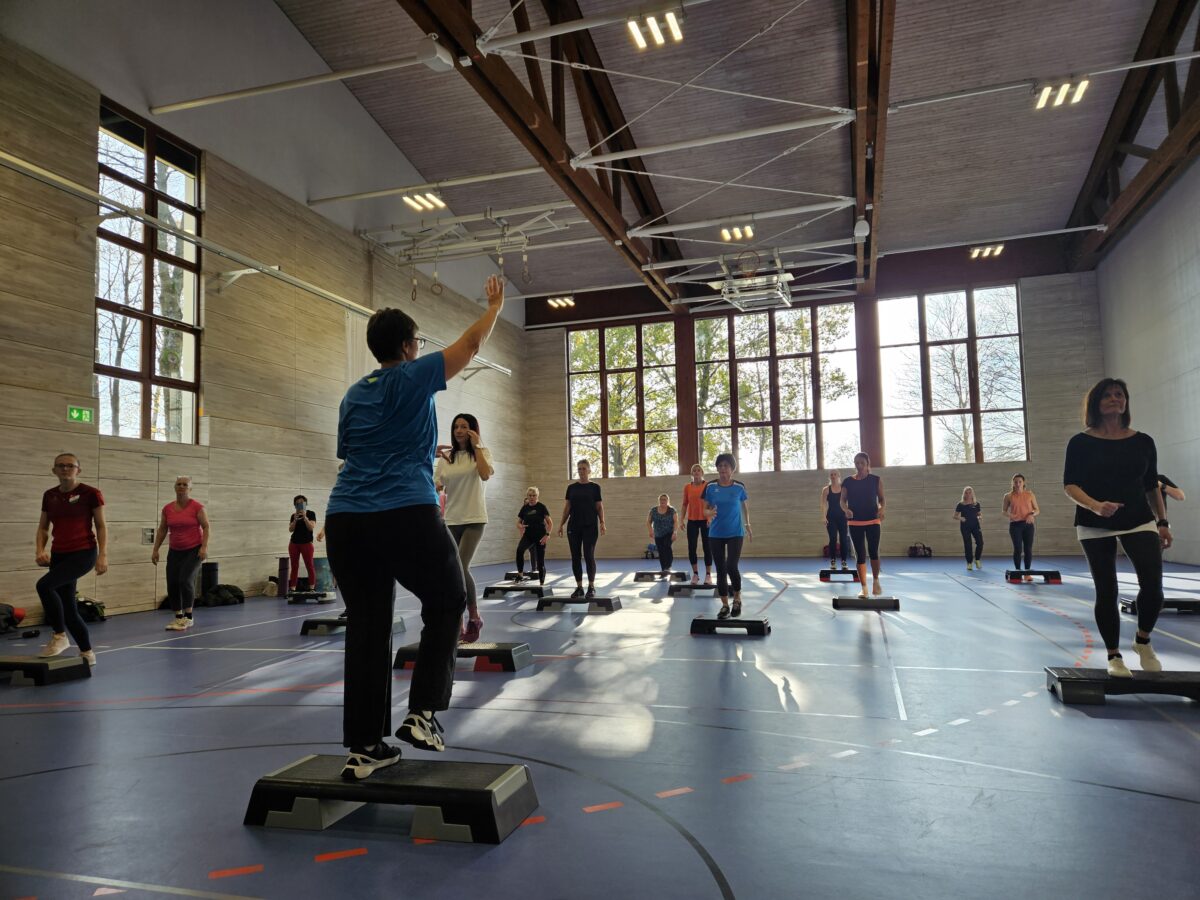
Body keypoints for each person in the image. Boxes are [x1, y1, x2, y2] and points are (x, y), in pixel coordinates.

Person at [324, 274, 504, 781]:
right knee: (448, 599)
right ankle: (422, 713)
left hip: (345, 519)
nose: (420, 349)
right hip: (404, 511)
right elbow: (471, 344)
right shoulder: (414, 375)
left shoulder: (352, 395)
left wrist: (423, 449)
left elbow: (357, 452)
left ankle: (365, 747)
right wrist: (494, 306)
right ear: (407, 347)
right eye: (418, 342)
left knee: (367, 625)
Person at [1064, 378, 1172, 678]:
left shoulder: (1143, 441)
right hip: (1094, 522)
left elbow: (1151, 485)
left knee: (1153, 586)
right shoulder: (1080, 442)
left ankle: (1143, 641)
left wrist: (1162, 522)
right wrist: (1095, 506)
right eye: (1108, 395)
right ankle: (1114, 655)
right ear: (1096, 403)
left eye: (1119, 395)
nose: (1115, 399)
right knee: (1107, 589)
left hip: (1139, 519)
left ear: (1126, 401)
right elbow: (1070, 485)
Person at [34, 453, 107, 665]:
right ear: (54, 470)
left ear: (78, 470)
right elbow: (43, 527)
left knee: (44, 586)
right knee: (68, 607)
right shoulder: (49, 495)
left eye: (70, 466)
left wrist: (103, 555)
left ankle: (59, 635)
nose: (65, 469)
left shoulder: (91, 493)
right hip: (59, 554)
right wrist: (40, 550)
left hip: (83, 553)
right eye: (60, 466)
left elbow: (101, 525)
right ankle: (87, 652)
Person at [435, 413, 493, 643]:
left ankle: (475, 617)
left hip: (474, 518)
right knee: (451, 570)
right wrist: (427, 455)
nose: (459, 430)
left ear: (472, 430)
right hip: (451, 520)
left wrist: (477, 446)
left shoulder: (482, 452)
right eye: (456, 427)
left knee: (460, 566)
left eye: (464, 427)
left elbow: (485, 474)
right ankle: (458, 621)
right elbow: (435, 485)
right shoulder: (446, 458)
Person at [151, 476, 210, 630]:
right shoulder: (167, 509)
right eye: (179, 484)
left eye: (185, 484)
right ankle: (178, 617)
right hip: (175, 550)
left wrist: (204, 547)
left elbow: (206, 527)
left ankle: (189, 617)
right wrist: (155, 549)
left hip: (194, 550)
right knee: (173, 582)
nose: (181, 487)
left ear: (190, 489)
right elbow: (162, 529)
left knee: (185, 580)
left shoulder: (197, 507)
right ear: (175, 487)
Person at [703, 453, 751, 618]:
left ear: (732, 469)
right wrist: (709, 513)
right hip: (716, 533)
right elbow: (705, 510)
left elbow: (744, 507)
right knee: (720, 569)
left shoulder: (739, 487)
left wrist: (748, 524)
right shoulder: (710, 487)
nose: (723, 468)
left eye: (726, 466)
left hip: (735, 532)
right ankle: (724, 605)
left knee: (731, 566)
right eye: (720, 466)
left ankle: (737, 598)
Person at [557, 459, 605, 599]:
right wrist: (561, 524)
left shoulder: (595, 487)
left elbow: (599, 507)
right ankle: (579, 587)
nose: (581, 471)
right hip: (574, 526)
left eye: (584, 468)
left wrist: (602, 522)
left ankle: (591, 586)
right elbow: (567, 507)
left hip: (590, 526)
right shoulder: (571, 488)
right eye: (579, 469)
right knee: (575, 557)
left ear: (589, 470)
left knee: (589, 556)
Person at [841, 452, 885, 599]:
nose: (859, 466)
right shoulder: (847, 481)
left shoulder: (875, 480)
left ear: (867, 464)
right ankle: (864, 587)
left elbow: (882, 499)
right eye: (857, 463)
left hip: (873, 521)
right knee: (859, 555)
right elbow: (842, 501)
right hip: (855, 522)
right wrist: (846, 510)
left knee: (874, 552)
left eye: (862, 463)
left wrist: (881, 509)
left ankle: (876, 581)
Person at [680, 463, 714, 586]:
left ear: (702, 473)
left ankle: (708, 575)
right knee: (692, 547)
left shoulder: (708, 486)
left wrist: (710, 517)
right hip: (692, 521)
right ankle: (695, 574)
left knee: (707, 547)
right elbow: (684, 504)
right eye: (694, 470)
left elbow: (712, 503)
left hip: (705, 520)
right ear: (692, 473)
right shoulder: (687, 487)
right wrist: (681, 519)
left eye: (698, 470)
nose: (696, 472)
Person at [1002, 474, 1040, 582]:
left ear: (1023, 483)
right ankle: (1018, 572)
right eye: (1015, 482)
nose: (1018, 484)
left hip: (1028, 525)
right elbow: (1003, 511)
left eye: (1020, 481)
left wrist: (1032, 514)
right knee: (1018, 548)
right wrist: (1010, 515)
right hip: (1015, 525)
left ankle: (1027, 573)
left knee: (1028, 549)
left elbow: (1037, 510)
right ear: (1013, 483)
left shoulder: (1030, 494)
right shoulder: (1008, 496)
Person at [514, 487, 552, 583]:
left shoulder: (541, 507)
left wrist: (547, 535)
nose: (531, 497)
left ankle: (542, 581)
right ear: (527, 496)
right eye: (530, 495)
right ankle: (520, 575)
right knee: (519, 550)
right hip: (528, 536)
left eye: (534, 495)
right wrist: (520, 526)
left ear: (537, 496)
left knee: (540, 562)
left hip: (540, 536)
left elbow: (550, 523)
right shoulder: (525, 508)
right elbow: (518, 522)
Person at [287, 495, 318, 592]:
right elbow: (290, 529)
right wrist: (295, 520)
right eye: (297, 503)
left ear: (305, 504)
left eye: (301, 503)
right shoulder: (293, 515)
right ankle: (292, 589)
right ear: (295, 505)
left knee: (310, 565)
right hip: (294, 543)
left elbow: (311, 527)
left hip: (307, 543)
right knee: (294, 566)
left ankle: (312, 588)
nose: (299, 505)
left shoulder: (311, 513)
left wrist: (305, 517)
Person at [821, 470, 851, 570]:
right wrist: (823, 516)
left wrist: (848, 512)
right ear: (829, 477)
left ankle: (844, 562)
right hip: (831, 517)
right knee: (833, 539)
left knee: (843, 539)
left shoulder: (844, 489)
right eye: (831, 475)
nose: (833, 476)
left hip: (843, 517)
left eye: (835, 474)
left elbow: (849, 501)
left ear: (839, 476)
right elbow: (824, 504)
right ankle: (833, 561)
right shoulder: (826, 490)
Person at [646, 494, 679, 573]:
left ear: (667, 501)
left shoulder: (672, 510)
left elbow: (676, 522)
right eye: (661, 499)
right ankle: (664, 568)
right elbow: (648, 522)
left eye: (664, 499)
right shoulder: (653, 510)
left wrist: (675, 532)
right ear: (659, 501)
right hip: (658, 534)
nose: (662, 501)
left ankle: (668, 566)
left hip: (669, 533)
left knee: (667, 546)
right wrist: (650, 530)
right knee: (661, 551)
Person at [954, 486, 983, 571]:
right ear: (964, 494)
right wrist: (960, 518)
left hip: (975, 526)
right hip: (965, 527)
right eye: (966, 493)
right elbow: (955, 516)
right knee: (968, 545)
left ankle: (977, 559)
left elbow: (979, 514)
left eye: (969, 493)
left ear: (972, 494)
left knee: (980, 543)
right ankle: (969, 563)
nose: (968, 494)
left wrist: (980, 517)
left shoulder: (976, 504)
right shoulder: (960, 504)